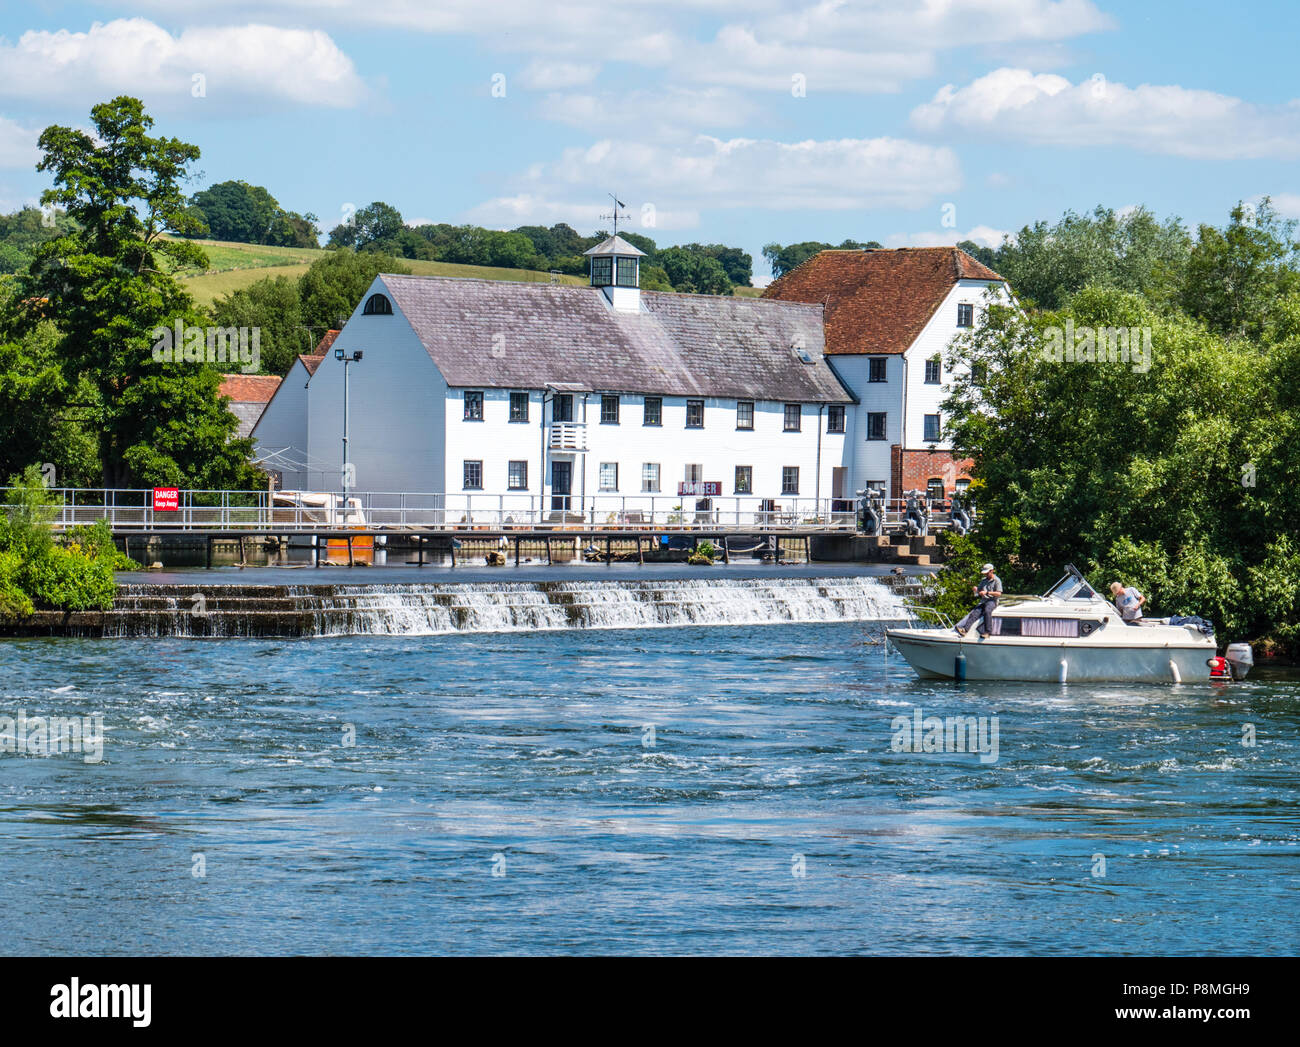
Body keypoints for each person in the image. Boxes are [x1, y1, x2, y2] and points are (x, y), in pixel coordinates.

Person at [955, 563, 1002, 638]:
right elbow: (978, 591)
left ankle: (987, 632)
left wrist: (987, 592)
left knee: (987, 611)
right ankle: (965, 630)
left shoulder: (997, 580)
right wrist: (976, 590)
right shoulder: (983, 580)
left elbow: (999, 593)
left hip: (992, 601)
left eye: (987, 573)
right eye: (985, 573)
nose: (985, 574)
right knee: (974, 613)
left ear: (992, 571)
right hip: (983, 601)